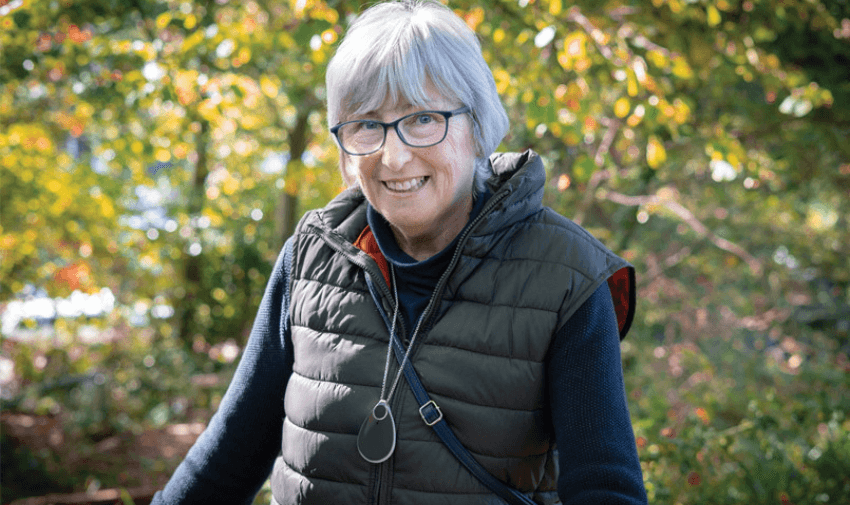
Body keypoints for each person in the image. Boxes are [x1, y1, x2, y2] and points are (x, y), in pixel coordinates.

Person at [151, 1, 646, 503]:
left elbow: (606, 489)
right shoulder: (311, 256)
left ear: (476, 125)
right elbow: (225, 462)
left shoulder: (566, 278)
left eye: (424, 118)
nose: (394, 156)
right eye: (366, 124)